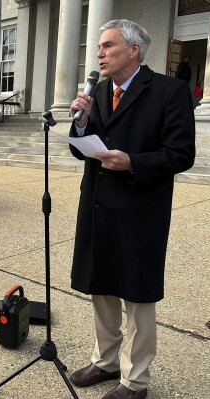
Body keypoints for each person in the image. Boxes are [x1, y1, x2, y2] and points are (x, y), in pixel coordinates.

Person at [68, 19, 195, 399]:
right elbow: (79, 148)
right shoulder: (99, 92)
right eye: (99, 48)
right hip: (98, 206)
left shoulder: (170, 91)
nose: (100, 54)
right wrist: (81, 123)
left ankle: (135, 380)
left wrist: (133, 162)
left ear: (134, 49)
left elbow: (181, 154)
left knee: (137, 297)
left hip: (141, 210)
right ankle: (106, 360)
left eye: (107, 46)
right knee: (101, 288)